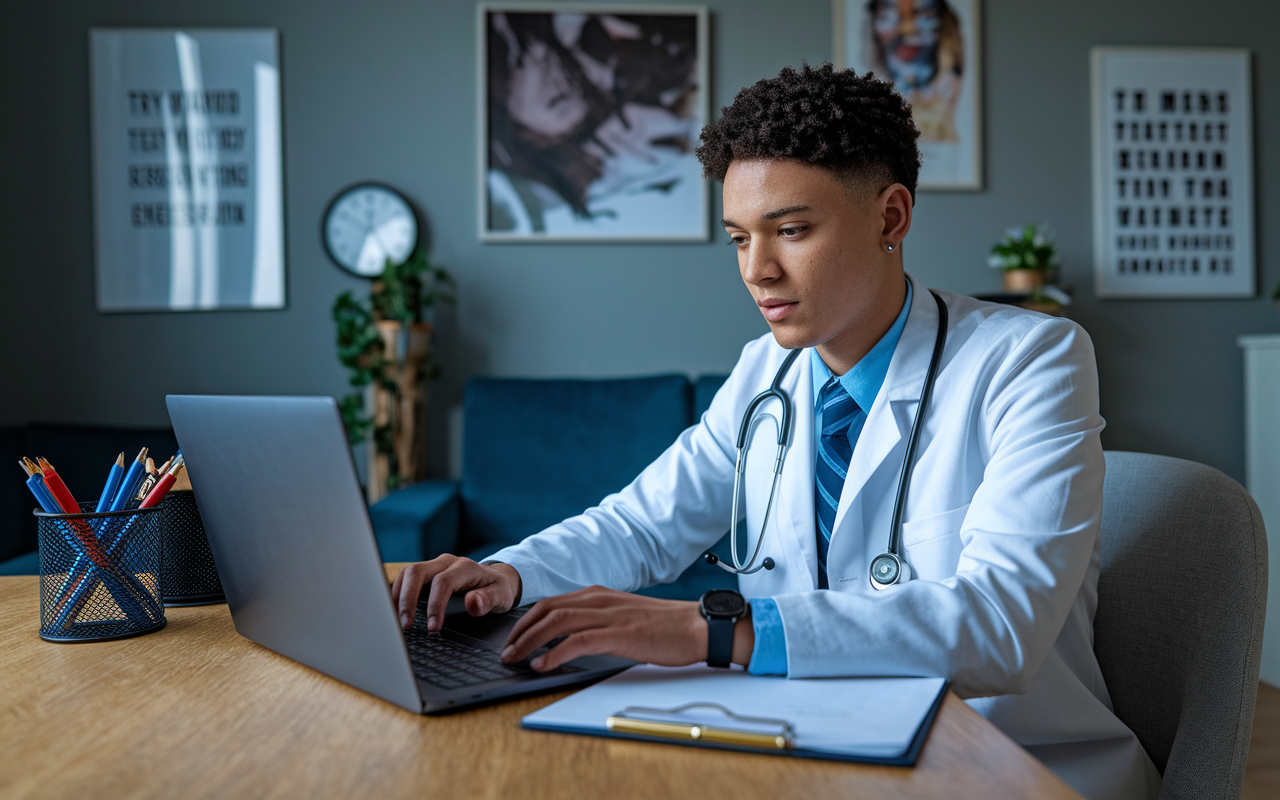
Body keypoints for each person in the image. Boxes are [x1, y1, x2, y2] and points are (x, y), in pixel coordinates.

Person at [393, 64, 1159, 800]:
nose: (757, 271)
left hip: (1005, 763)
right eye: (738, 238)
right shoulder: (766, 371)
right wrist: (509, 576)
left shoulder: (1029, 358)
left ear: (890, 216)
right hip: (812, 743)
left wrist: (714, 630)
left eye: (790, 230)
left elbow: (1000, 624)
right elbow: (640, 524)